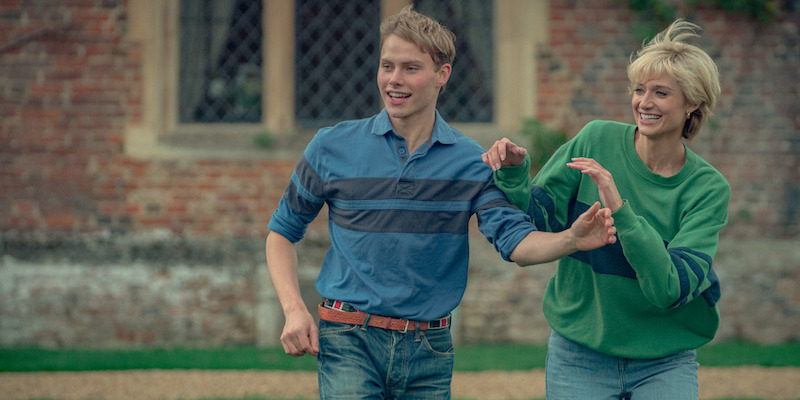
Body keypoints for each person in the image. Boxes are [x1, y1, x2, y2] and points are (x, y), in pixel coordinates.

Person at [265, 6, 616, 399]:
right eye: (387, 66)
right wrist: (295, 308)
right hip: (348, 337)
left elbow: (516, 243)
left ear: (442, 75)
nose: (394, 80)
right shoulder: (331, 146)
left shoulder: (471, 162)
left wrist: (572, 239)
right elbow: (282, 231)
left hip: (429, 349)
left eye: (410, 68)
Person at [482, 19, 730, 399]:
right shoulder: (595, 138)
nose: (644, 103)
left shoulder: (706, 188)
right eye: (639, 90)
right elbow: (539, 220)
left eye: (661, 93)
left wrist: (621, 209)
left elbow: (669, 288)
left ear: (693, 103)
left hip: (664, 358)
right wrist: (516, 174)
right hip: (578, 354)